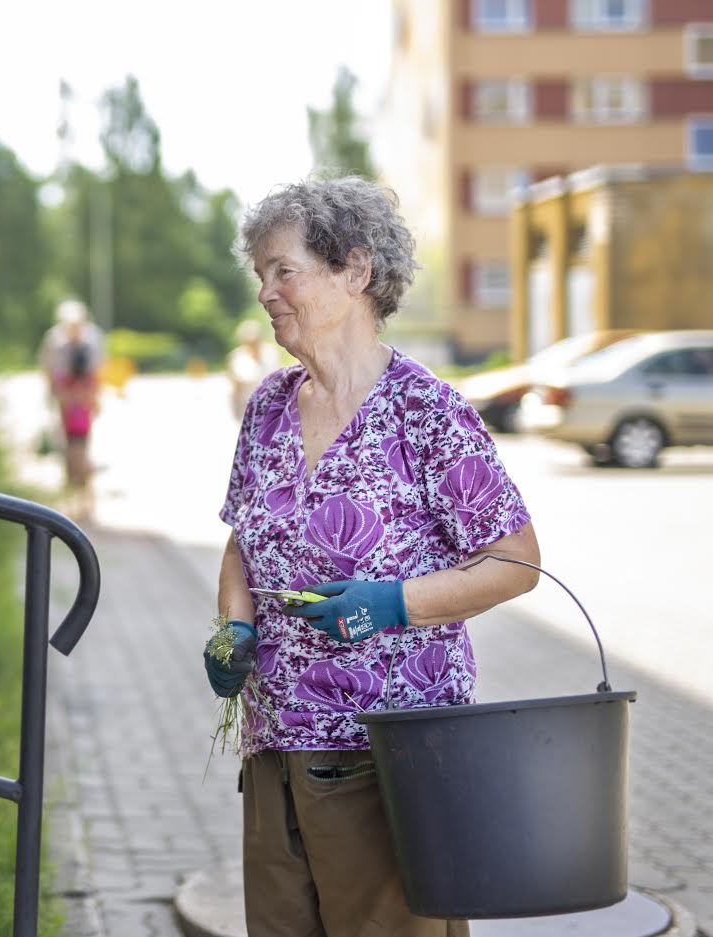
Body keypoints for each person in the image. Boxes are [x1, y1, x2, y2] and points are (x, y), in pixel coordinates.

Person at [202, 178, 540, 937]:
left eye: (281, 270)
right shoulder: (266, 406)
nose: (265, 291)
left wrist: (393, 603)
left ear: (353, 271)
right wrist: (234, 627)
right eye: (259, 274)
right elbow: (240, 539)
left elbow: (514, 561)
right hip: (275, 740)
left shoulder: (425, 410)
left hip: (387, 752)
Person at [39, 299, 103, 519]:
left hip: (81, 407)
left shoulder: (91, 341)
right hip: (66, 405)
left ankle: (85, 502)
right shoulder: (56, 342)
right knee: (69, 454)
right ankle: (73, 503)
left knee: (80, 451)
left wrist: (92, 399)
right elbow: (51, 373)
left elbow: (96, 374)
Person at [225, 319, 281, 419]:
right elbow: (235, 385)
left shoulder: (270, 352)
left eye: (255, 340)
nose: (253, 344)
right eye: (250, 341)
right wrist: (235, 408)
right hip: (247, 405)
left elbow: (279, 377)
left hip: (270, 403)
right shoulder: (237, 357)